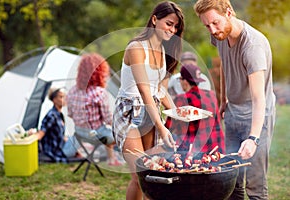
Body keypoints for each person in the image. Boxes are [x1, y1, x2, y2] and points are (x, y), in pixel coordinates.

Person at [194, 0, 276, 199]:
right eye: (207, 25)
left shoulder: (252, 47)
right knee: (231, 181)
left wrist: (253, 138)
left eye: (215, 23)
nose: (212, 30)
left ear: (229, 12)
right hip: (233, 113)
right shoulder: (220, 35)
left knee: (255, 187)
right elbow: (223, 62)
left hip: (257, 118)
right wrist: (223, 99)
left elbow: (259, 99)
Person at [112, 1, 184, 199]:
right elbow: (145, 92)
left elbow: (159, 89)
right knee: (138, 174)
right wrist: (162, 126)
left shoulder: (163, 52)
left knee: (151, 174)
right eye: (169, 23)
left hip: (151, 111)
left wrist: (178, 113)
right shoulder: (136, 48)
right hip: (130, 111)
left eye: (175, 26)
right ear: (154, 19)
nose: (173, 30)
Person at [66, 53, 122, 166]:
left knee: (104, 132)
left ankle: (107, 156)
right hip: (96, 134)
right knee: (118, 136)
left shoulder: (72, 91)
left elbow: (70, 114)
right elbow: (108, 119)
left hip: (79, 133)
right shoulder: (99, 92)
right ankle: (112, 159)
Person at [165, 63, 225, 154]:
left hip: (194, 154)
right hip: (217, 149)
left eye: (180, 79)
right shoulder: (211, 95)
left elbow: (169, 127)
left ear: (185, 81)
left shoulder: (181, 99)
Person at [28, 86, 80, 163]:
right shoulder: (51, 115)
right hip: (57, 151)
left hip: (62, 146)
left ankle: (78, 153)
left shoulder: (59, 114)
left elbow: (62, 136)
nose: (65, 99)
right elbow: (41, 134)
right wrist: (31, 135)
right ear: (54, 100)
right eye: (61, 97)